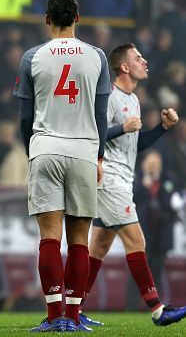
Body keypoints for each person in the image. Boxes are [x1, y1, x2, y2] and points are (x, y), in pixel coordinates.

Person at [13, 0, 111, 332]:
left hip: (45, 149)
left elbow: (25, 119)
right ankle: (73, 317)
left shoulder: (32, 57)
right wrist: (99, 156)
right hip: (84, 151)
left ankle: (54, 317)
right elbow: (100, 114)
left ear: (47, 20)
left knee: (49, 238)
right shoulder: (97, 56)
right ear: (78, 19)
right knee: (80, 239)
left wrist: (33, 150)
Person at [79, 43, 186, 327]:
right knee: (137, 241)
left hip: (123, 178)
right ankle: (157, 309)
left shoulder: (134, 100)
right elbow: (93, 134)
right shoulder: (108, 96)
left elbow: (134, 145)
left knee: (98, 248)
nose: (145, 61)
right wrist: (121, 128)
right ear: (124, 67)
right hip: (108, 177)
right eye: (138, 58)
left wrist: (162, 129)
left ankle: (72, 309)